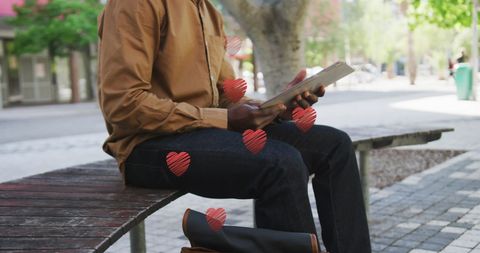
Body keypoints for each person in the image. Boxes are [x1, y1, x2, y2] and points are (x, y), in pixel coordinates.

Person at [97, 1, 371, 253]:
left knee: (334, 146)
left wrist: (275, 109)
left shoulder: (207, 11)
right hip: (146, 146)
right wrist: (224, 120)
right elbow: (123, 104)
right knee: (280, 164)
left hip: (202, 131)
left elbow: (226, 97)